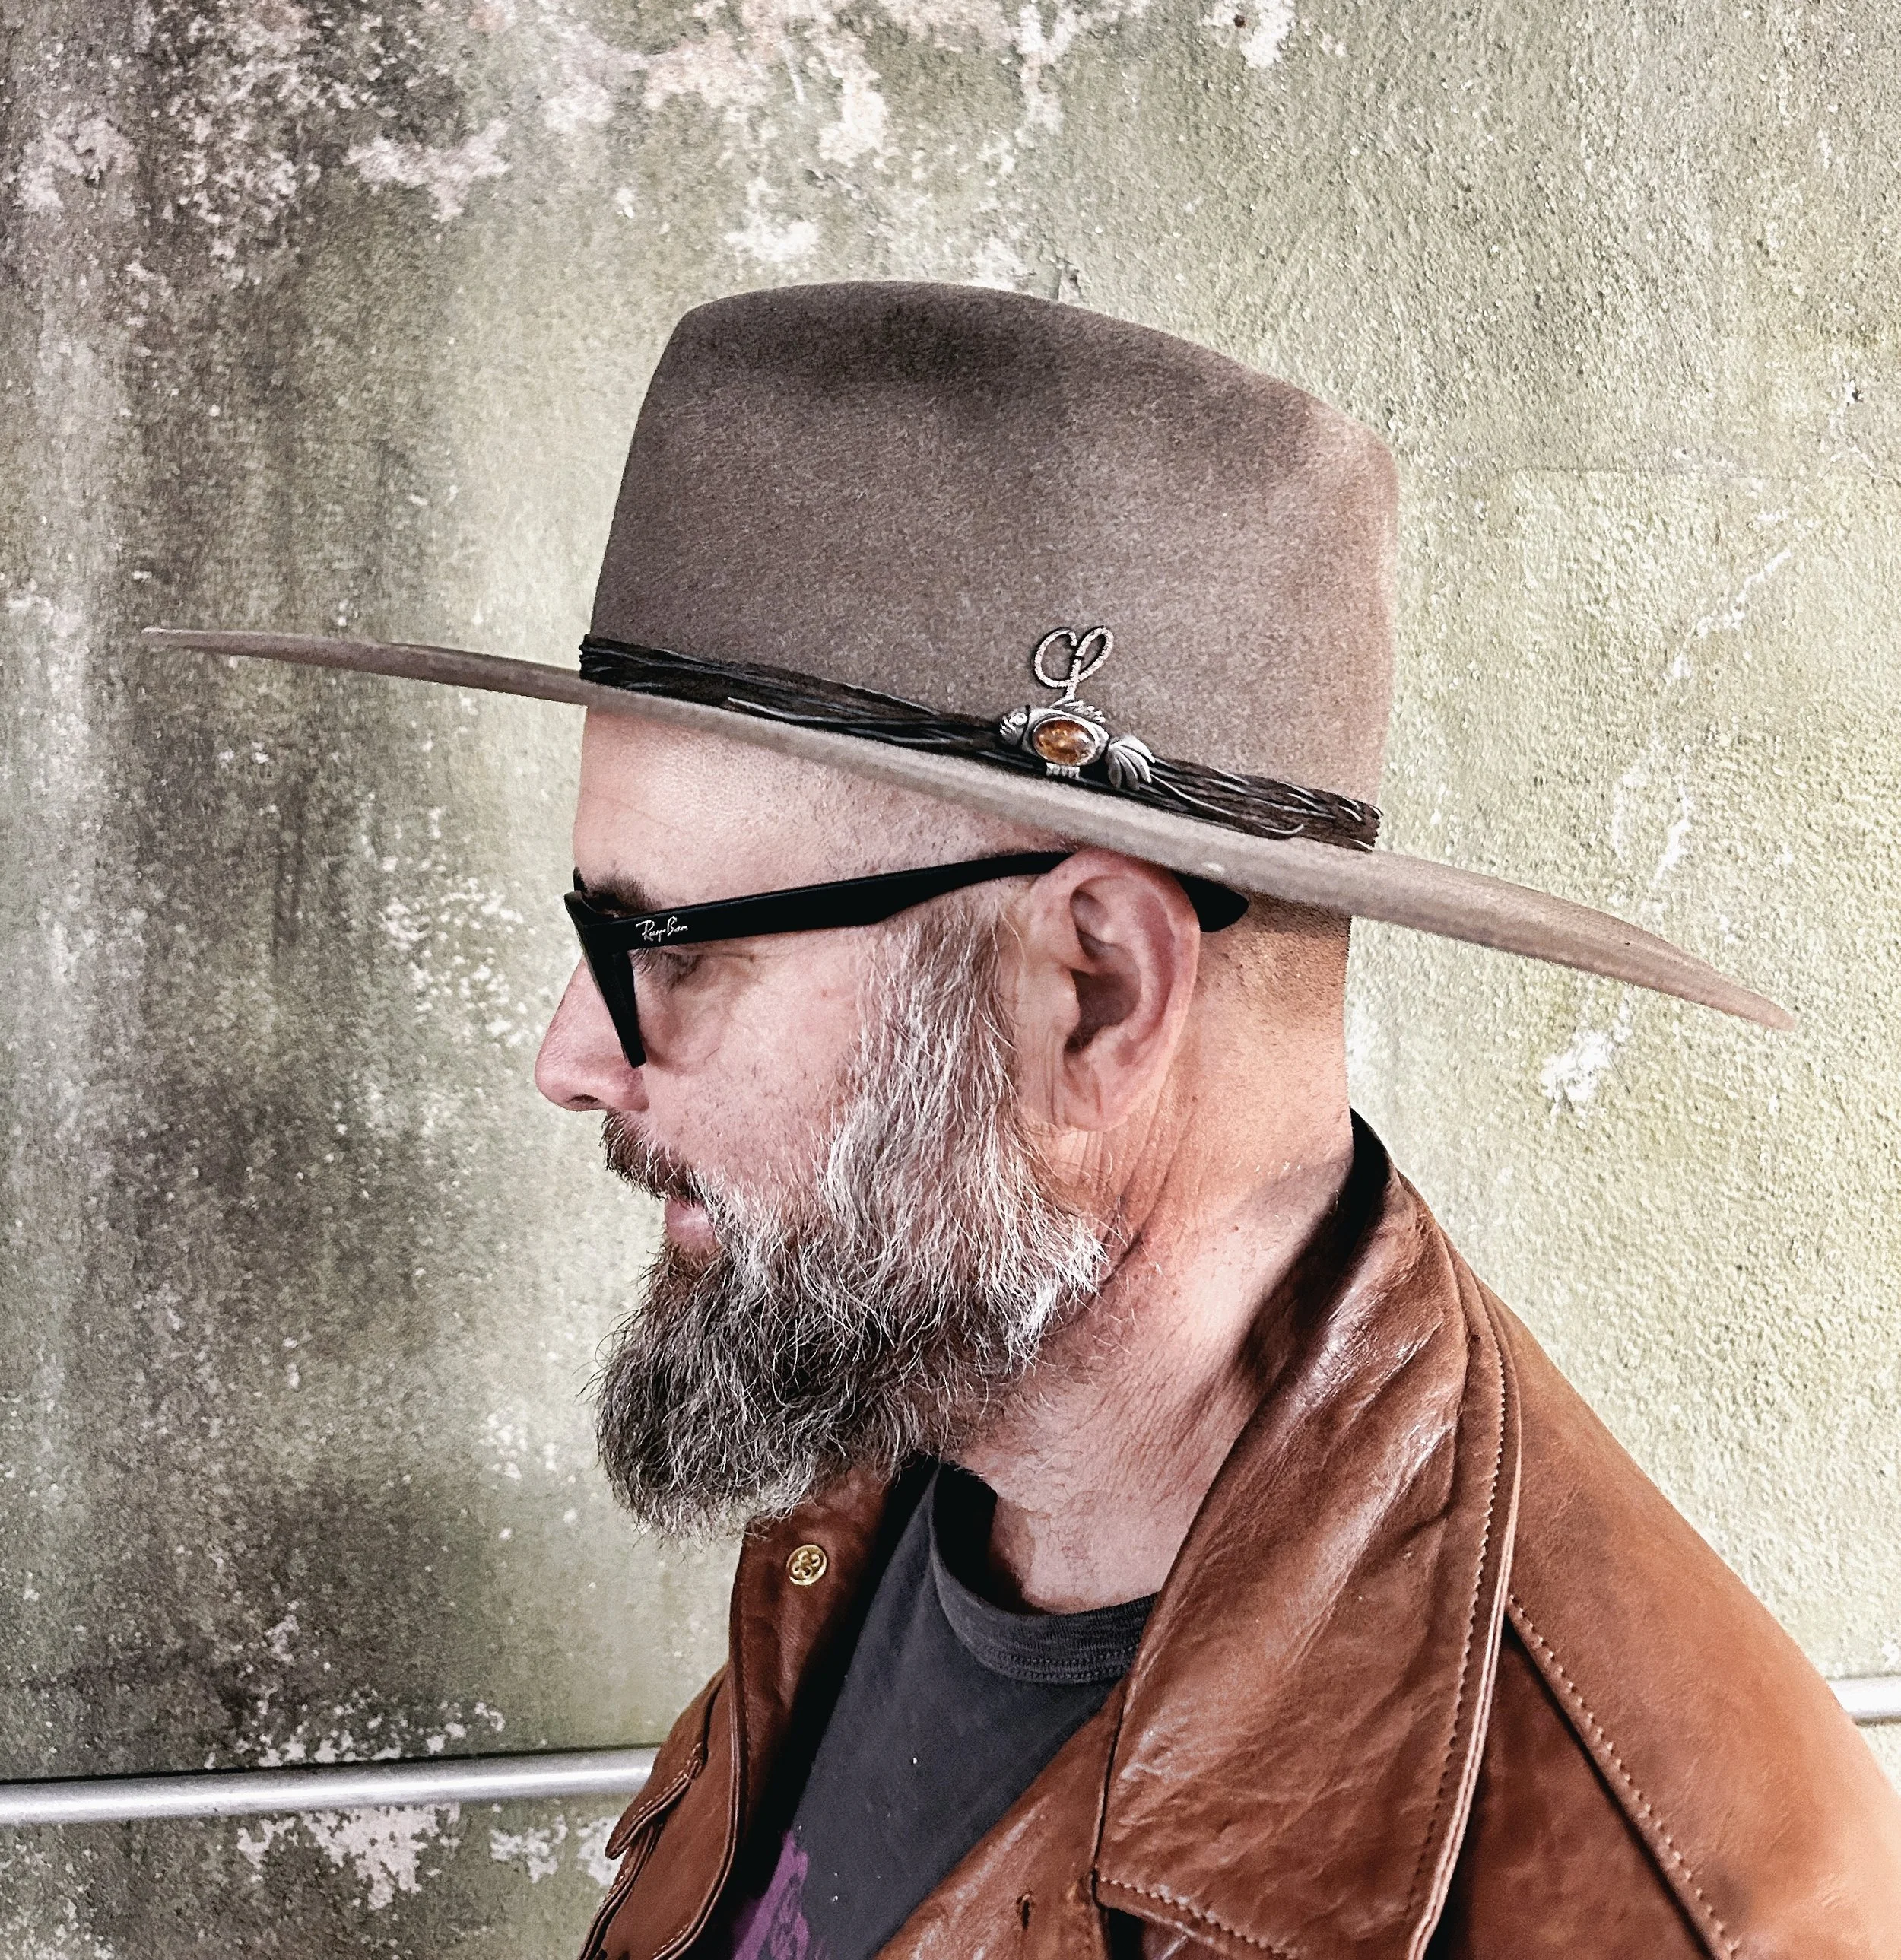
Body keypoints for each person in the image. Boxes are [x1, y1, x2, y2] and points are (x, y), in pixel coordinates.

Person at [148, 282, 1901, 1958]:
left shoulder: (1647, 1900)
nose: (571, 1057)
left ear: (1094, 994)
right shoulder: (897, 1378)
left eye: (663, 946)